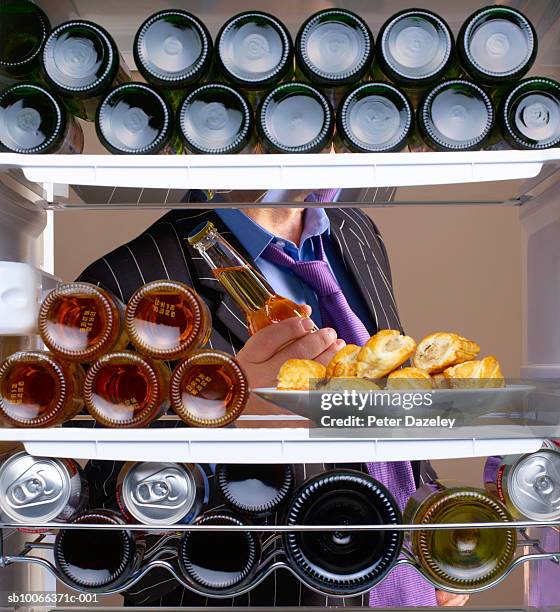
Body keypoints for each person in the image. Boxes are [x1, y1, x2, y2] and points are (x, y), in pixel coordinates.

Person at [78, 189, 468, 607]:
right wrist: (226, 418)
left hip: (399, 579)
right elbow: (115, 547)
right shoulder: (123, 284)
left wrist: (428, 518)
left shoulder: (355, 229)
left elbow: (385, 401)